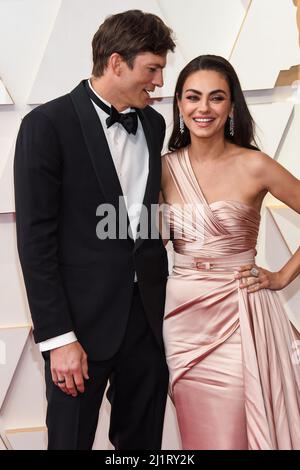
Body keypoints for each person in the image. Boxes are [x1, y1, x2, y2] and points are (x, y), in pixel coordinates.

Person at [14, 10, 175, 450]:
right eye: (153, 69)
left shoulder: (153, 123)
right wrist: (59, 338)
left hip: (145, 324)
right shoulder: (47, 125)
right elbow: (36, 244)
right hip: (78, 332)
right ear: (117, 63)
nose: (160, 81)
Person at [161, 54, 300, 450]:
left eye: (216, 98)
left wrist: (282, 275)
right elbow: (142, 241)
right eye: (192, 97)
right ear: (179, 104)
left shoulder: (255, 165)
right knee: (198, 436)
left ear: (231, 105)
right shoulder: (163, 169)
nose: (203, 108)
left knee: (233, 435)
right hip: (182, 320)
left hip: (239, 316)